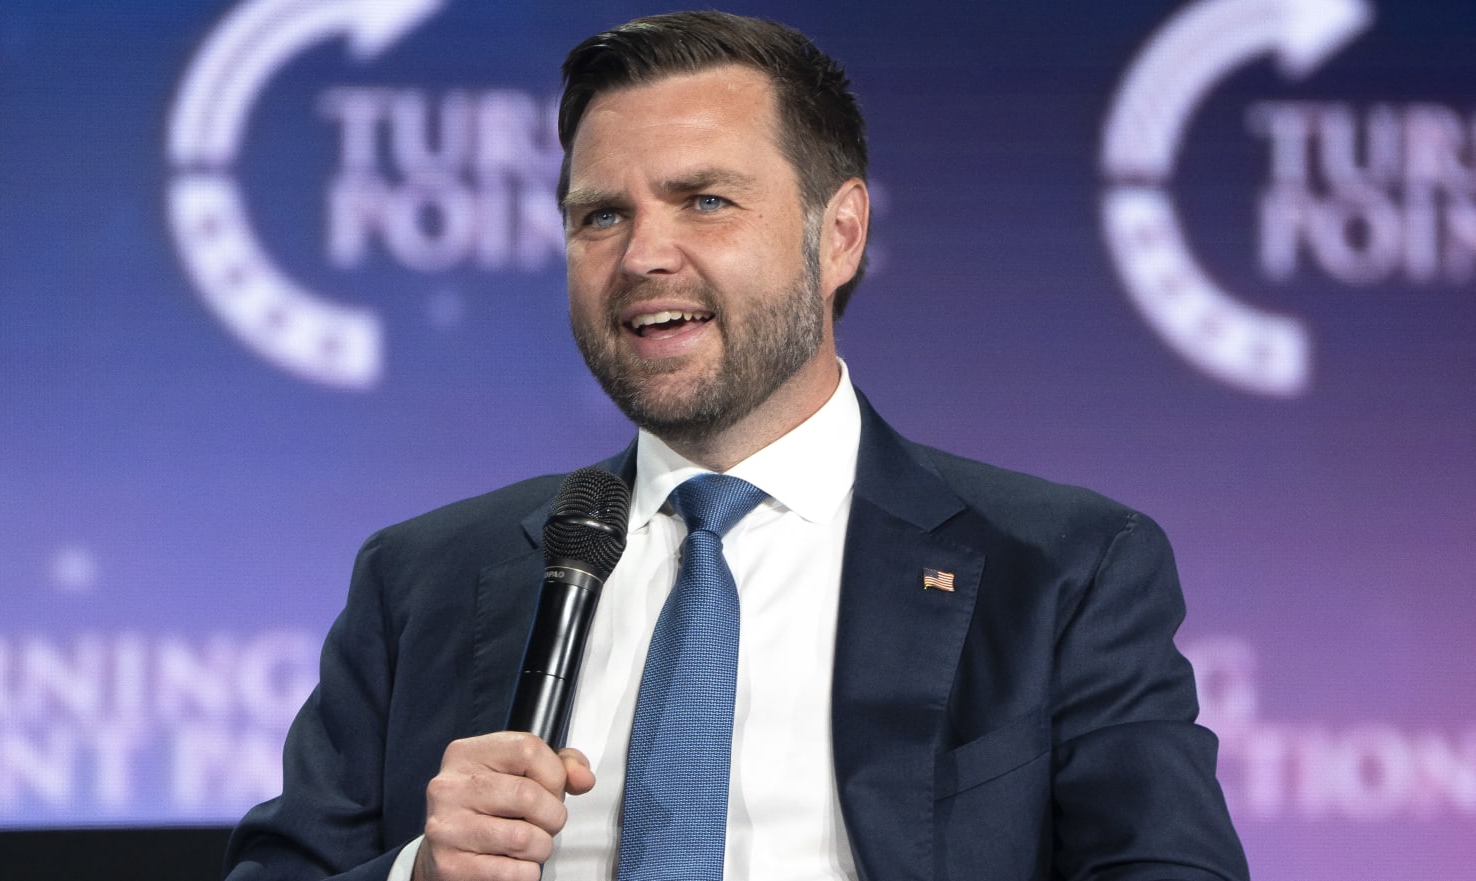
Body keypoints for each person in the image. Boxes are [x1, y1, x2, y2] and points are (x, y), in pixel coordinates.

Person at [225, 11, 1249, 881]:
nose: (643, 255)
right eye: (599, 215)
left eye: (705, 200)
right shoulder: (426, 578)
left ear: (838, 232)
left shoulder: (1059, 565)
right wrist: (419, 872)